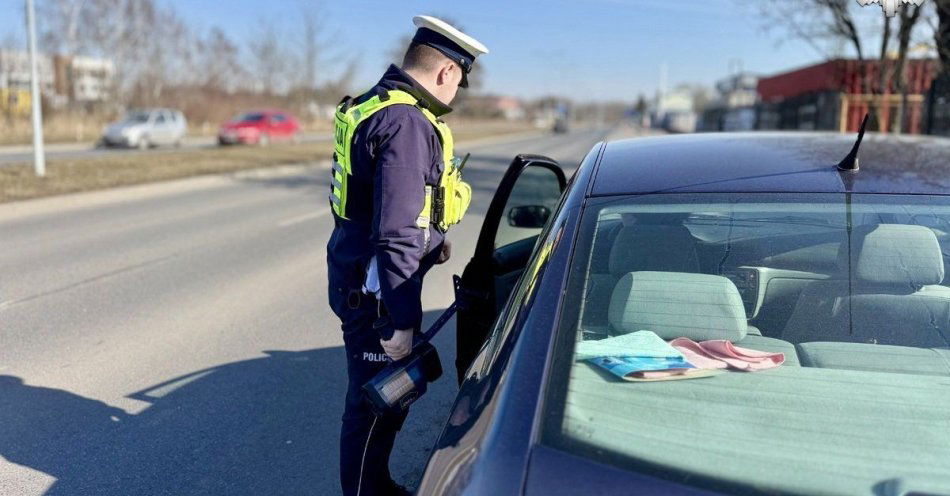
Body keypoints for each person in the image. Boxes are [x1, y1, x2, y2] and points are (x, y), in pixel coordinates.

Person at [326, 15, 488, 496]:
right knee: (377, 405)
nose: (458, 92)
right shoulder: (409, 124)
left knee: (379, 401)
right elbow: (397, 231)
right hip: (378, 295)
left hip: (358, 276)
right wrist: (400, 321)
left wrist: (433, 242)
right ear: (447, 73)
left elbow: (383, 208)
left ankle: (374, 484)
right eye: (462, 79)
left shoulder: (377, 105)